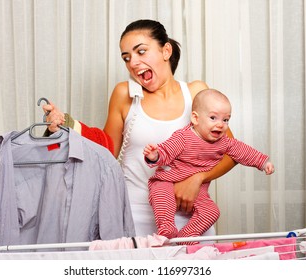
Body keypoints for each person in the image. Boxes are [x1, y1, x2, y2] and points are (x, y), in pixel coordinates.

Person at [43, 19, 237, 237]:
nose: (133, 63)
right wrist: (66, 124)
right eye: (126, 58)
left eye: (141, 52)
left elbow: (230, 153)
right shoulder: (124, 93)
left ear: (166, 51)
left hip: (191, 214)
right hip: (135, 214)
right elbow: (107, 150)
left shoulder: (195, 93)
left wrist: (197, 179)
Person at [143, 89, 274, 243]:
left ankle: (187, 235)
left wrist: (263, 162)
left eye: (226, 120)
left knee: (211, 212)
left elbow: (243, 151)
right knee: (160, 196)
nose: (220, 125)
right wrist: (155, 155)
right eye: (213, 118)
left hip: (197, 189)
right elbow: (167, 150)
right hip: (167, 180)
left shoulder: (224, 142)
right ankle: (167, 229)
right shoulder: (183, 137)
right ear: (195, 118)